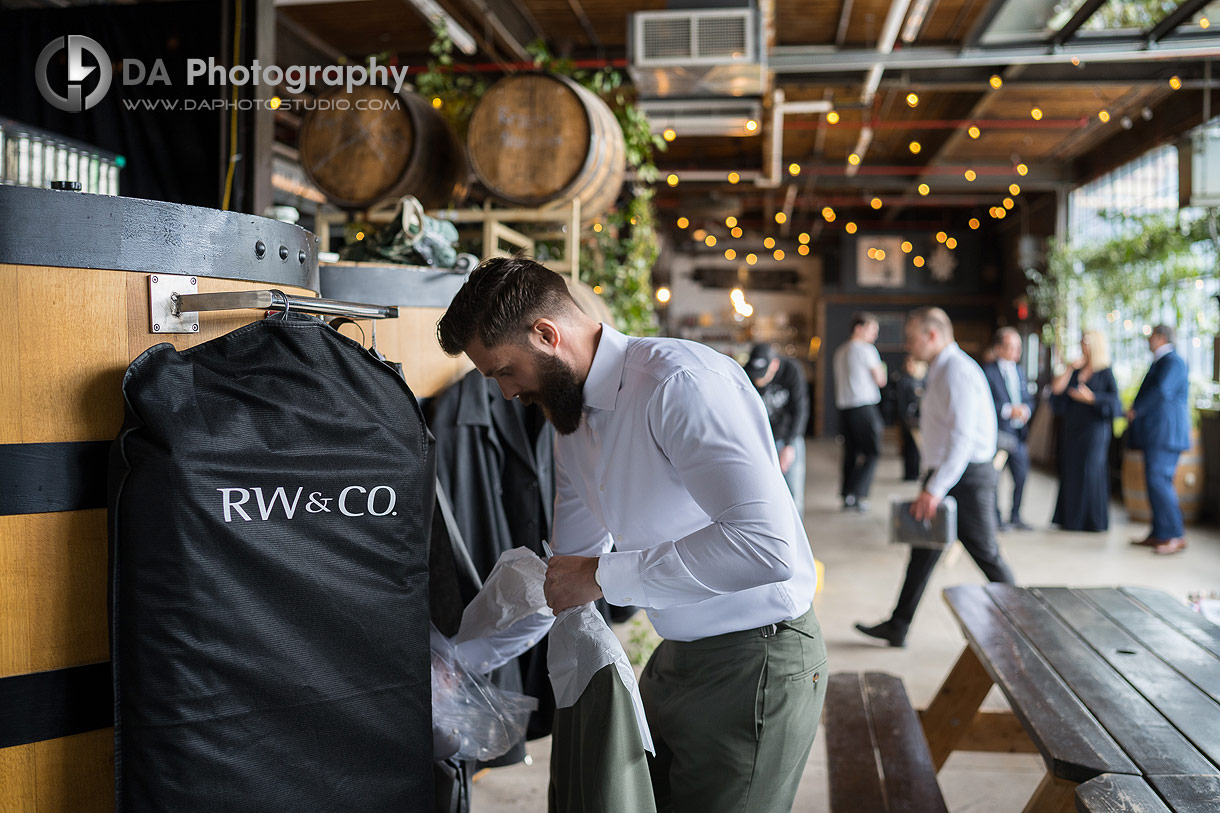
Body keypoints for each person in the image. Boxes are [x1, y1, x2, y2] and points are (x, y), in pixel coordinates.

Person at [436, 258, 826, 812]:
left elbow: (767, 547)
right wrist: (458, 665)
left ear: (546, 335)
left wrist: (601, 576)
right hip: (676, 655)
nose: (503, 393)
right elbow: (564, 581)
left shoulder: (680, 384)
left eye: (503, 370)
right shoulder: (571, 421)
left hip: (760, 659)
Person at [855, 307, 1015, 648]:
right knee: (923, 550)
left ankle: (1027, 621)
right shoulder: (940, 369)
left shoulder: (956, 370)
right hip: (948, 474)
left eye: (912, 339)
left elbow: (963, 438)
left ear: (932, 335)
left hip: (966, 478)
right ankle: (898, 625)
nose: (908, 346)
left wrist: (934, 489)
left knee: (985, 552)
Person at [1126, 324, 1191, 556]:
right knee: (1155, 483)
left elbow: (1162, 391)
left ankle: (1175, 535)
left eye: (1151, 336)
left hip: (1167, 434)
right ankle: (1159, 532)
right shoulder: (1161, 361)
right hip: (1156, 434)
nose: (1148, 340)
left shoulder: (1174, 362)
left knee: (1160, 482)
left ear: (1161, 337)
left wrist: (1136, 410)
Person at [1048, 331, 1122, 532]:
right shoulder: (1075, 369)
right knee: (1071, 469)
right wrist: (1069, 368)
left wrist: (1091, 399)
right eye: (1081, 342)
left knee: (1090, 470)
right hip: (1072, 428)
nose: (1082, 346)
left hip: (1094, 431)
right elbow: (1056, 391)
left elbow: (1116, 402)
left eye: (1086, 342)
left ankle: (1092, 521)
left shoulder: (1105, 371)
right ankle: (1071, 520)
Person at [745, 343, 810, 514]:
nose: (758, 379)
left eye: (763, 373)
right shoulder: (746, 373)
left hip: (787, 437)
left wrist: (790, 445)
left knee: (793, 494)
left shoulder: (791, 370)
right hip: (759, 440)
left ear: (774, 364)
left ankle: (795, 540)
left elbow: (800, 409)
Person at [982, 328, 1035, 531]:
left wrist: (1025, 410)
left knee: (1021, 475)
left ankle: (1016, 515)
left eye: (1018, 347)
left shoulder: (1019, 371)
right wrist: (1007, 410)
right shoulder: (988, 372)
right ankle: (996, 518)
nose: (1016, 351)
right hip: (998, 434)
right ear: (999, 348)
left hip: (1018, 434)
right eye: (1011, 347)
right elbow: (985, 404)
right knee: (994, 478)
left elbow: (1028, 400)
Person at [833, 312, 886, 511]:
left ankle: (847, 496)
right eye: (872, 330)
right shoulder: (866, 350)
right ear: (859, 328)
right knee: (873, 451)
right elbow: (881, 379)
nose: (875, 335)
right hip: (864, 407)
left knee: (851, 452)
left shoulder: (840, 351)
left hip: (845, 408)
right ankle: (860, 494)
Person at [894, 356, 926, 482]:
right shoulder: (904, 380)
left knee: (915, 447)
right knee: (909, 447)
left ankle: (914, 473)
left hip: (916, 418)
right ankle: (910, 474)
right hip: (907, 418)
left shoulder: (921, 380)